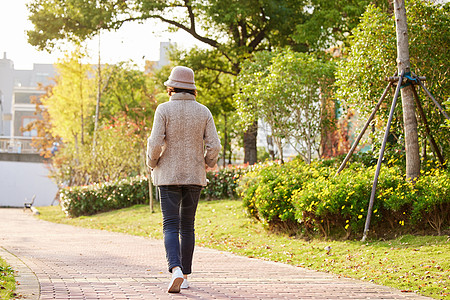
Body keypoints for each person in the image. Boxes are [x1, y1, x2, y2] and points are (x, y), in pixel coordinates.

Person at [147, 66, 221, 293]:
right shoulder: (203, 111)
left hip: (168, 176)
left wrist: (152, 162)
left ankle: (176, 269)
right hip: (194, 176)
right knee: (188, 225)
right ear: (192, 89)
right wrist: (208, 162)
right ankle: (186, 276)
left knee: (170, 224)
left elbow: (155, 143)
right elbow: (214, 145)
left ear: (171, 87)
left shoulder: (164, 109)